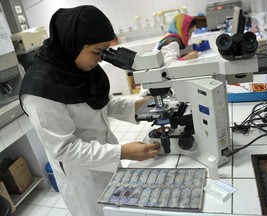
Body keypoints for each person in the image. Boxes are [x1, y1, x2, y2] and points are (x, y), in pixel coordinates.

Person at [19, 5, 160, 216]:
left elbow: (104, 104)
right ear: (73, 43)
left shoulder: (80, 70)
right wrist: (122, 151)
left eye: (103, 52)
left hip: (107, 158)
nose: (101, 59)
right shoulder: (40, 90)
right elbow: (65, 149)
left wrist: (140, 104)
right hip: (82, 177)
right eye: (96, 52)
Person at [140, 13, 200, 97]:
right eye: (189, 33)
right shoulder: (173, 42)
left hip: (152, 85)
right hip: (152, 92)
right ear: (182, 29)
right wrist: (188, 57)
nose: (189, 37)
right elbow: (170, 67)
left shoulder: (169, 36)